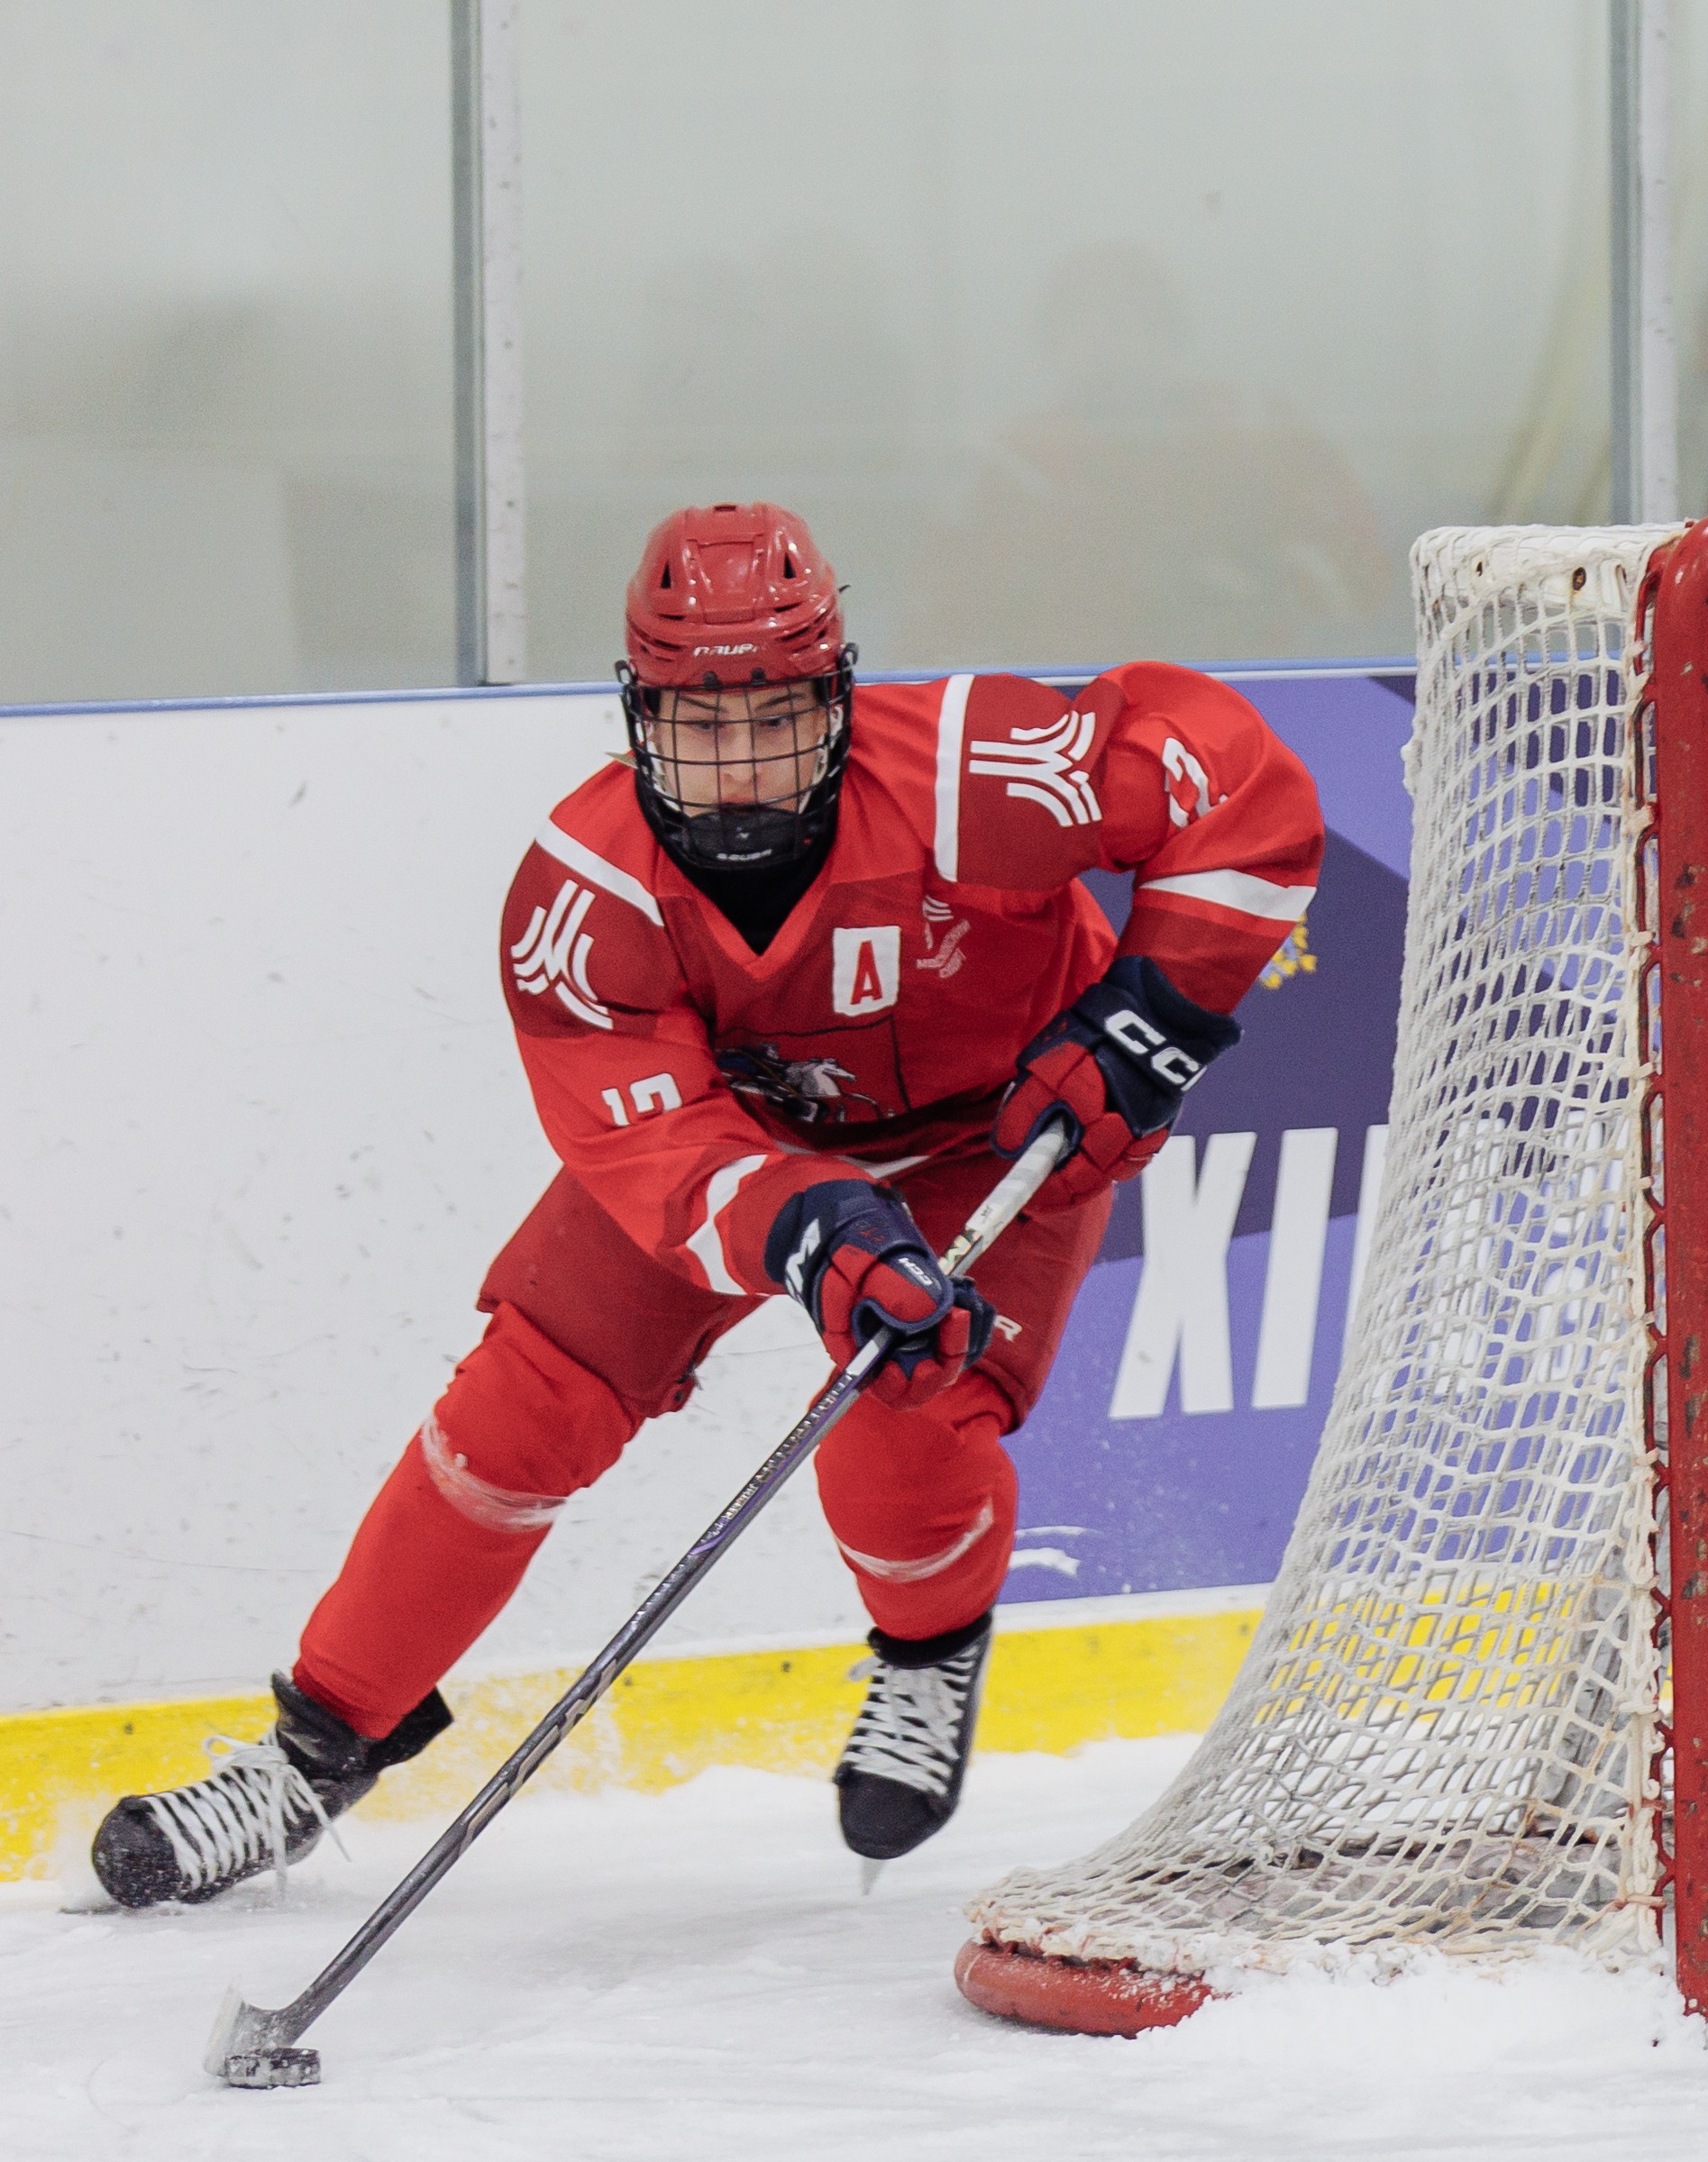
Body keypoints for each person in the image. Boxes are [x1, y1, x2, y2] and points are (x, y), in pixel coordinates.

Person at [93, 502, 1321, 1905]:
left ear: (841, 700)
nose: (739, 770)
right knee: (522, 1402)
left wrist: (1150, 1015)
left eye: (778, 719)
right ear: (636, 716)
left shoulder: (972, 771)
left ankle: (929, 1651)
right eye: (698, 725)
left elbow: (1242, 787)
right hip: (749, 1154)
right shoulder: (586, 893)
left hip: (996, 1140)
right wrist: (809, 1223)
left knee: (903, 1402)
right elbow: (661, 1150)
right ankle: (308, 1756)